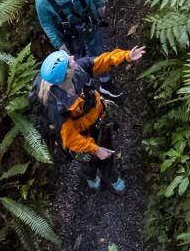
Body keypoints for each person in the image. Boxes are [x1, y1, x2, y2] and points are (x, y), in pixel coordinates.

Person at [35, 45, 146, 192]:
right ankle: (92, 178)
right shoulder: (58, 107)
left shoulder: (78, 70)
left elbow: (101, 61)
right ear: (66, 74)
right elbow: (70, 138)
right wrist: (95, 149)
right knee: (89, 161)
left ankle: (111, 177)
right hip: (82, 135)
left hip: (99, 121)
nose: (73, 57)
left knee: (107, 153)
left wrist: (126, 56)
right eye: (69, 60)